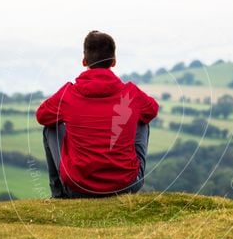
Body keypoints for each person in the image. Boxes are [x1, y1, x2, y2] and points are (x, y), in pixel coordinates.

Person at [36, 30, 159, 198]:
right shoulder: (131, 93)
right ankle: (127, 174)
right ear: (114, 62)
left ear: (84, 61)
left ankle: (58, 195)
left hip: (78, 188)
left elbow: (42, 116)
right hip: (126, 185)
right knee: (143, 118)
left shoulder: (67, 95)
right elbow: (152, 110)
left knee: (51, 127)